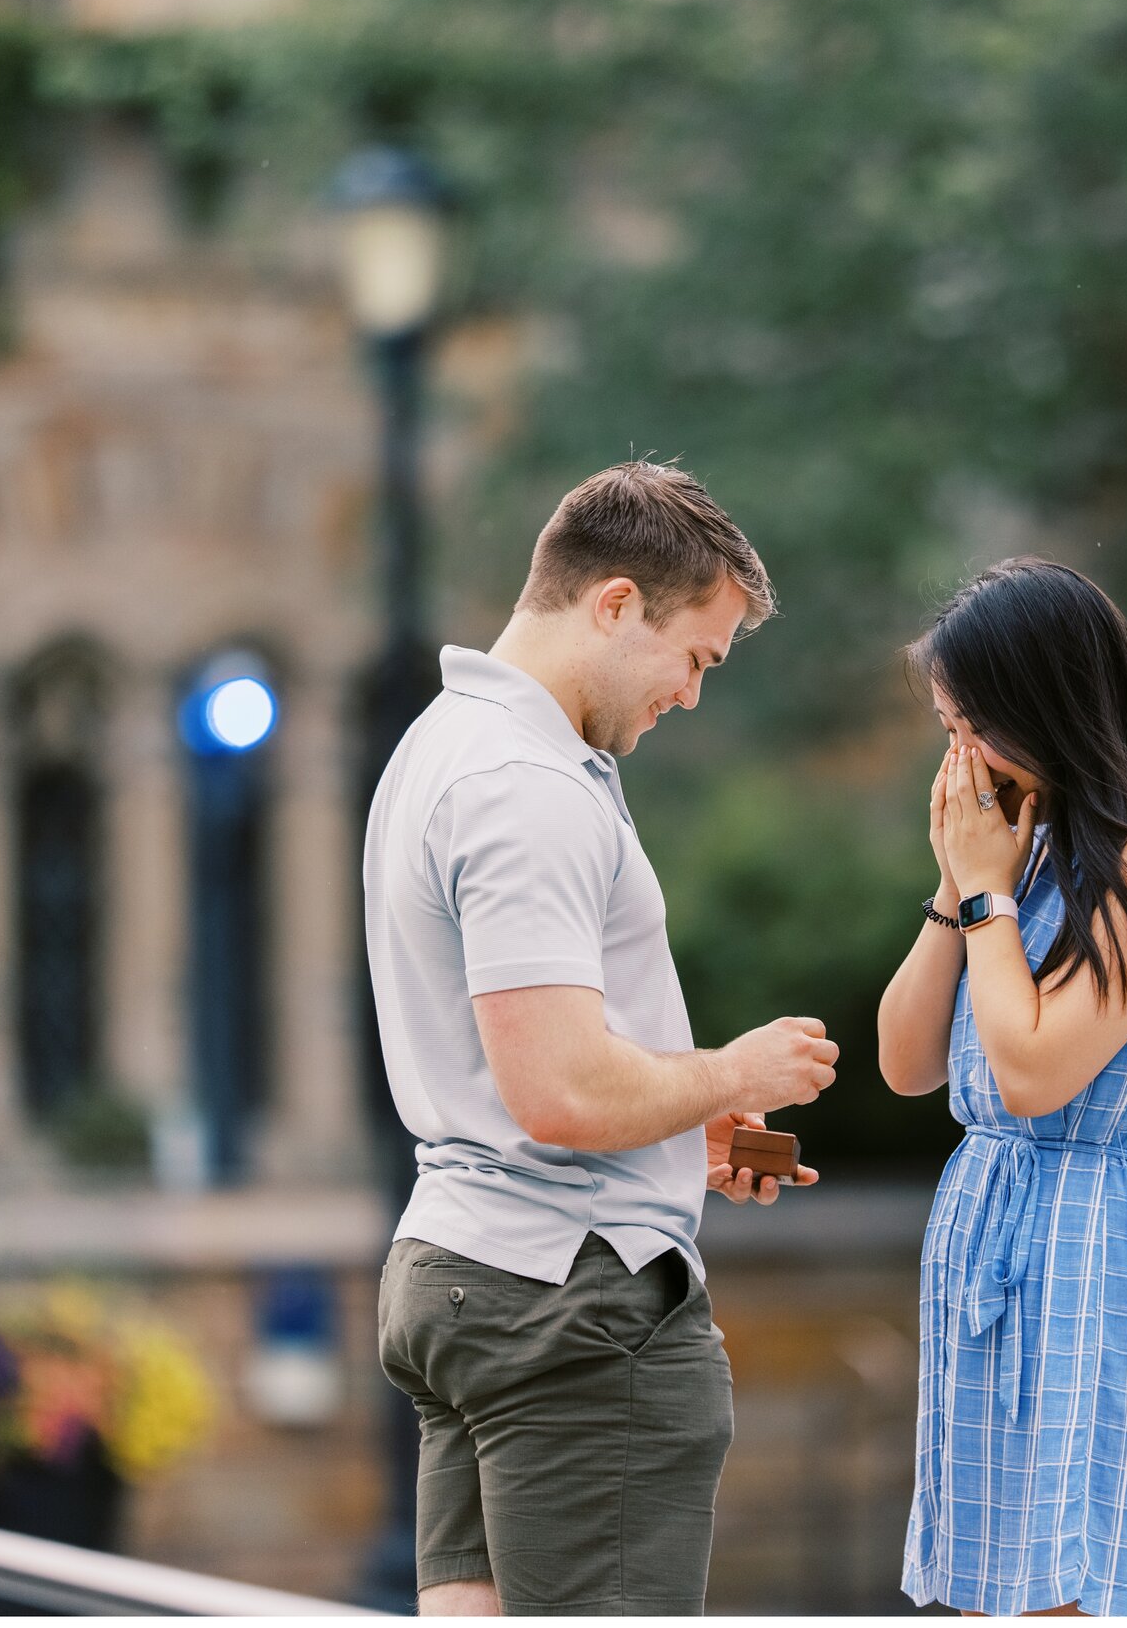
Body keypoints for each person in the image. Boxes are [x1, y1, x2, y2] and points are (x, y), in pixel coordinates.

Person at [365, 461, 834, 1616]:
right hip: (566, 1301)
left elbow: (527, 1064)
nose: (691, 695)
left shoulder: (444, 742)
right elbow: (560, 1092)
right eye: (695, 658)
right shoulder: (527, 783)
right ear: (616, 604)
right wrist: (737, 1069)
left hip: (469, 1273)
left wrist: (686, 1121)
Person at [878, 558, 1127, 1616]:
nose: (959, 758)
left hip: (1100, 1249)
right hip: (996, 1236)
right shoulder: (1026, 852)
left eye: (971, 725)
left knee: (1083, 1592)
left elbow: (1035, 1067)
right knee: (991, 1593)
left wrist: (992, 891)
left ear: (1044, 705)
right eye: (948, 728)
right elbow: (907, 1062)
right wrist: (958, 888)